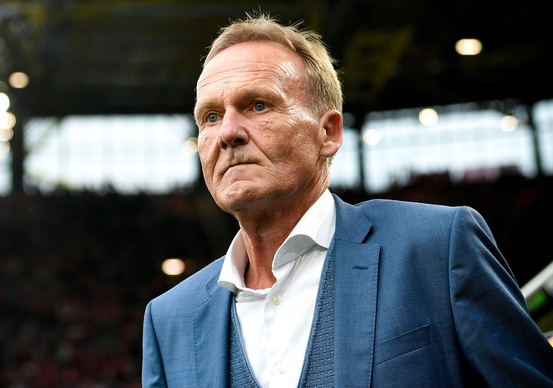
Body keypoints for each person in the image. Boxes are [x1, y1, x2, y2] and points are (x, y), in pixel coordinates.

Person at [142, 12, 553, 387]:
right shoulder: (169, 320)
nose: (228, 132)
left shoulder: (438, 248)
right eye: (210, 117)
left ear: (329, 133)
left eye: (258, 105)